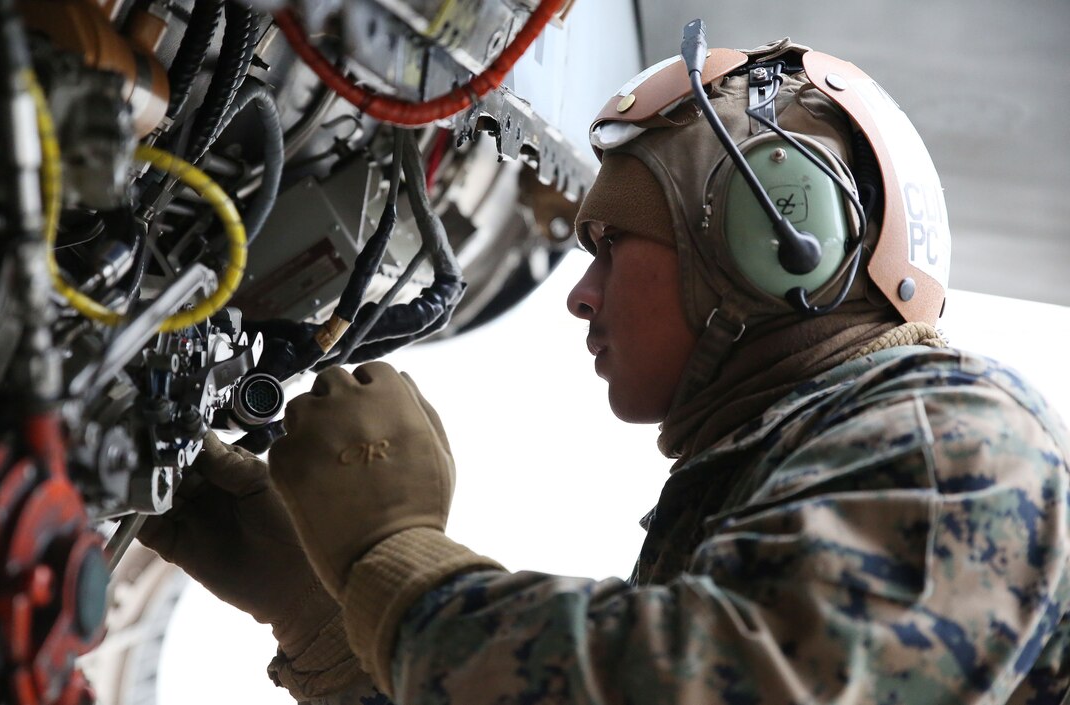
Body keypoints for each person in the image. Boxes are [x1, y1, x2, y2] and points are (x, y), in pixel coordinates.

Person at [139, 33, 1070, 705]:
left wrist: (395, 564)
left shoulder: (953, 443)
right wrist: (318, 612)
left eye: (611, 243)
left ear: (769, 244)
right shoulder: (769, 487)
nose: (580, 296)